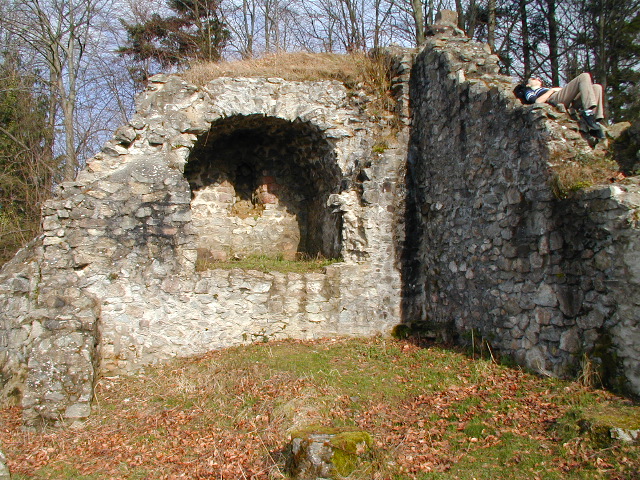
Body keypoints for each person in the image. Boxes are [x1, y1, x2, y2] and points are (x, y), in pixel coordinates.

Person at [514, 73, 605, 139]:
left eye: (538, 78)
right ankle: (588, 113)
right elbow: (536, 101)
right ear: (528, 84)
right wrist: (552, 90)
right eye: (533, 78)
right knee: (584, 76)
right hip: (553, 99)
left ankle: (593, 120)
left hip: (567, 100)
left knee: (597, 87)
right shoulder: (529, 90)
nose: (537, 78)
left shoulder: (544, 88)